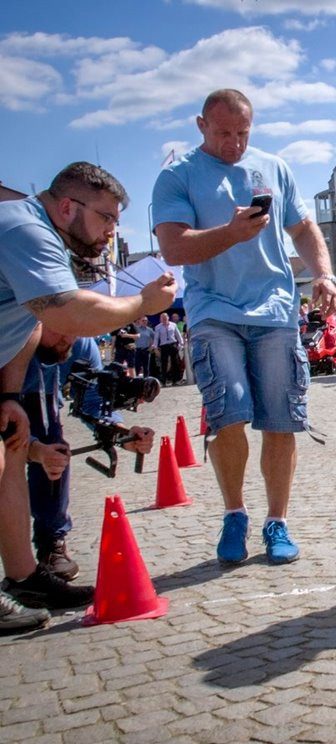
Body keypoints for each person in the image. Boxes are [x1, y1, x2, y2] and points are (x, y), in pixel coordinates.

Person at [152, 89, 336, 566]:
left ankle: (277, 521)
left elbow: (303, 227)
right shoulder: (177, 176)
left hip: (275, 308)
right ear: (201, 126)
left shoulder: (274, 167)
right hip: (214, 309)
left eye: (243, 132)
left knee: (281, 418)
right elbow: (174, 248)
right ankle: (235, 514)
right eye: (223, 133)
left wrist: (323, 272)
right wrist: (230, 233)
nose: (234, 143)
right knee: (228, 411)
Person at [0, 161, 176, 630]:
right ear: (65, 207)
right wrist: (143, 304)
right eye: (106, 220)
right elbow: (69, 313)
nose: (109, 234)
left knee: (9, 458)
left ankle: (23, 578)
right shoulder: (28, 231)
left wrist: (11, 393)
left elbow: (27, 324)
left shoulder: (41, 236)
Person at [23, 329, 155, 582]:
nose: (67, 338)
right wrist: (32, 448)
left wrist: (122, 434)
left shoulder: (79, 341)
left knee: (55, 448)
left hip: (45, 401)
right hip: (12, 397)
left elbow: (94, 402)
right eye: (60, 329)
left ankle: (51, 541)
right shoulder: (12, 334)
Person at [152, 312, 183, 385]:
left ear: (168, 318)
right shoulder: (158, 327)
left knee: (175, 363)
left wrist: (181, 343)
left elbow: (178, 335)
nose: (164, 319)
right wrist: (155, 347)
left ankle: (175, 380)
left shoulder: (173, 325)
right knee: (164, 364)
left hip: (173, 344)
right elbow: (156, 338)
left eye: (165, 318)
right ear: (160, 319)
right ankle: (164, 381)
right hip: (164, 346)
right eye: (162, 318)